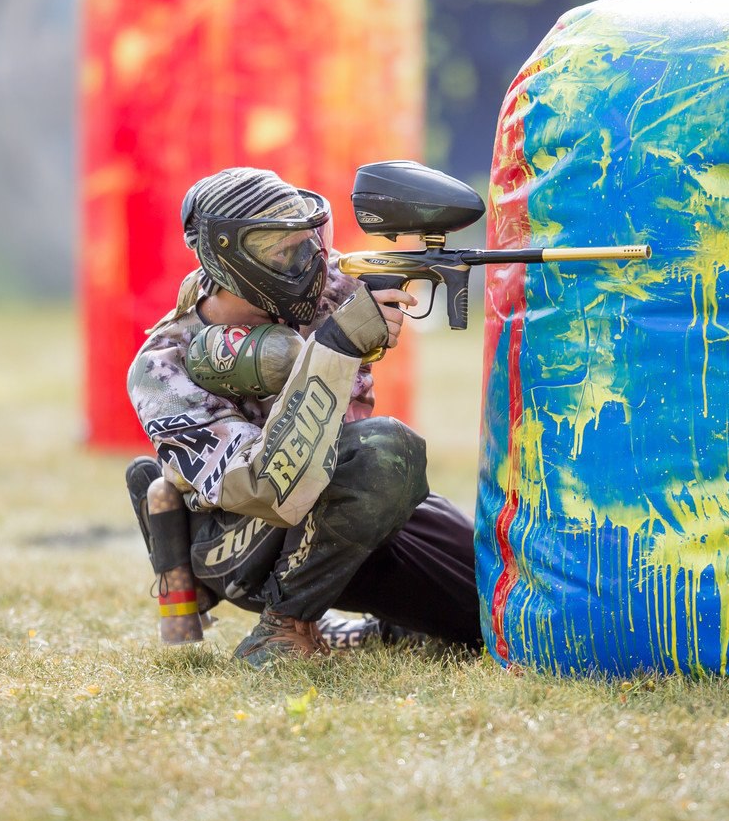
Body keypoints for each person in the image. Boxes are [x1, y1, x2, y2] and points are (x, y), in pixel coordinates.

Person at [124, 166, 482, 668]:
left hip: (347, 502)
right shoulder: (162, 367)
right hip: (239, 539)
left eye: (303, 241)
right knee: (385, 449)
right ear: (227, 255)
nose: (304, 261)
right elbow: (263, 489)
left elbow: (390, 263)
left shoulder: (322, 285)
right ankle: (284, 626)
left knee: (488, 609)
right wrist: (335, 345)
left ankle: (386, 629)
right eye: (279, 248)